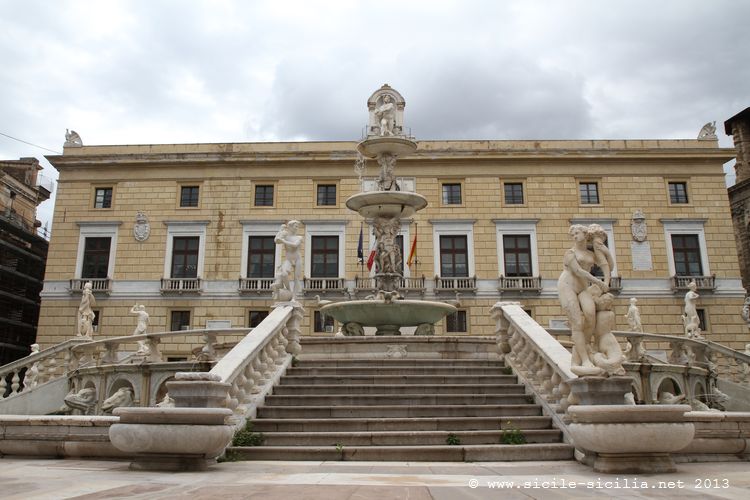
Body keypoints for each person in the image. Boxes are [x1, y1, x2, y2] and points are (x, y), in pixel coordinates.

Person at [557, 225, 609, 375]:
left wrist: (606, 252)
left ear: (585, 234)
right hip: (567, 286)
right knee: (577, 323)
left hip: (582, 288)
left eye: (577, 233)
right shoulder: (570, 253)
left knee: (591, 316)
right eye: (572, 234)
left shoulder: (591, 254)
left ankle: (583, 349)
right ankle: (585, 359)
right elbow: (579, 271)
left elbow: (607, 265)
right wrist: (600, 282)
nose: (574, 236)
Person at [274, 220, 303, 298]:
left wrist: (283, 241)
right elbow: (276, 240)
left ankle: (293, 297)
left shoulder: (299, 237)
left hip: (297, 259)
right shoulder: (285, 236)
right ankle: (289, 291)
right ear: (290, 227)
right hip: (288, 259)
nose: (297, 228)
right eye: (295, 226)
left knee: (296, 278)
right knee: (284, 274)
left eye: (297, 226)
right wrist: (280, 231)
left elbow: (294, 245)